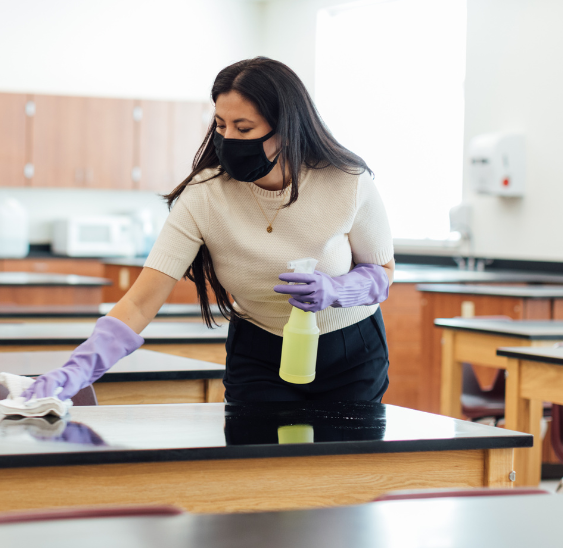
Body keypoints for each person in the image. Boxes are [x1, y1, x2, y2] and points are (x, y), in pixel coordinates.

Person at [23, 57, 394, 404]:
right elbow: (139, 301)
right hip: (258, 348)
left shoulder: (345, 181)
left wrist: (338, 290)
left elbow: (384, 273)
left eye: (243, 127)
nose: (228, 138)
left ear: (286, 127)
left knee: (341, 467)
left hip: (350, 351)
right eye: (220, 125)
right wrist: (76, 373)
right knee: (255, 466)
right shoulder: (204, 194)